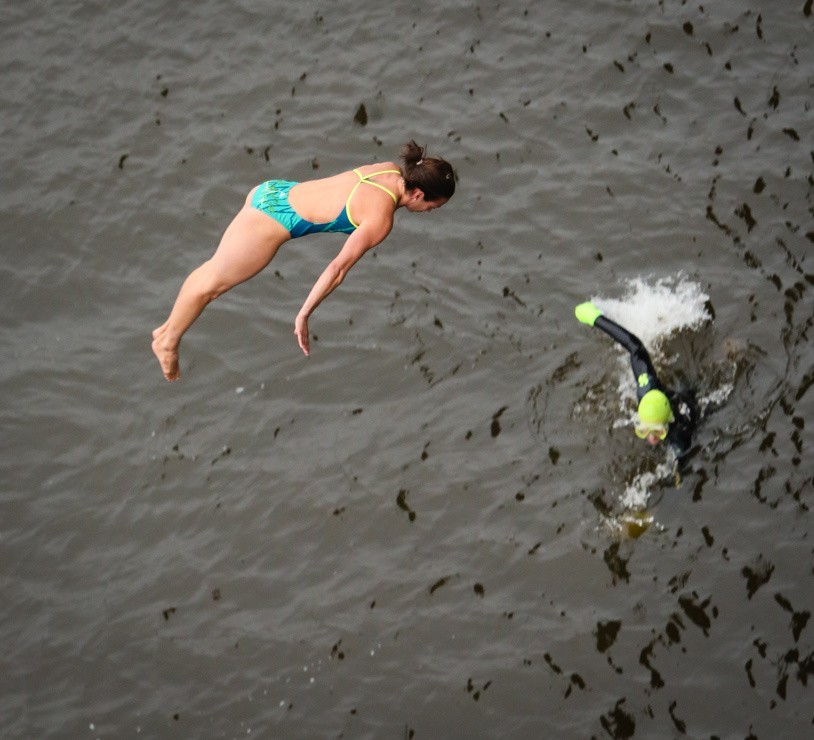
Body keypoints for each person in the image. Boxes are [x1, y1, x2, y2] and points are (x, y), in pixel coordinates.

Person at [152, 140, 455, 380]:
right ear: (417, 195)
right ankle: (168, 341)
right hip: (273, 221)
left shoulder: (387, 169)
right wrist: (304, 314)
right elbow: (337, 269)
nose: (429, 213)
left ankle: (167, 329)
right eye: (433, 207)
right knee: (211, 287)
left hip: (273, 191)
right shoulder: (381, 219)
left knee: (212, 271)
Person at [575, 301, 697, 455]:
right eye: (645, 429)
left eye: (657, 432)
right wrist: (596, 319)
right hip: (663, 397)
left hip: (684, 403)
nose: (651, 438)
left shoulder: (680, 433)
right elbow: (634, 346)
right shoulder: (646, 385)